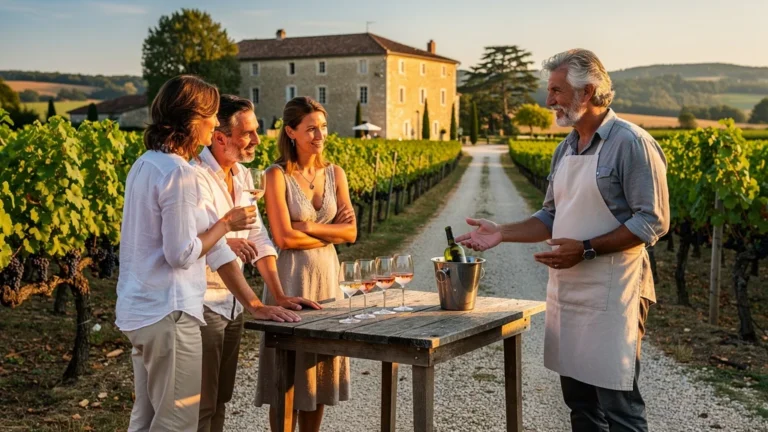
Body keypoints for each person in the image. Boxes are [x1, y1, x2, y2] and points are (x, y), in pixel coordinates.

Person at [456, 49, 670, 432]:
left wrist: (586, 248)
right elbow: (551, 216)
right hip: (570, 293)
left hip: (617, 292)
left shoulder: (631, 143)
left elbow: (653, 220)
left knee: (619, 405)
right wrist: (502, 232)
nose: (548, 100)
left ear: (586, 92)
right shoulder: (565, 148)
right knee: (580, 405)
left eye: (556, 91)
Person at [116, 75, 300, 432]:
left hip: (140, 311)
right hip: (170, 312)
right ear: (192, 119)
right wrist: (227, 223)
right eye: (212, 115)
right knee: (178, 420)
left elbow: (208, 245)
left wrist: (260, 299)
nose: (216, 123)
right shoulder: (181, 174)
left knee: (146, 418)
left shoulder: (145, 164)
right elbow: (181, 254)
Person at [192, 95, 321, 432]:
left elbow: (259, 237)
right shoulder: (195, 176)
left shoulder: (244, 177)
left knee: (220, 399)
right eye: (247, 132)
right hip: (200, 302)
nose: (256, 139)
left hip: (231, 303)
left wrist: (276, 296)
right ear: (220, 138)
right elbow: (201, 243)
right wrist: (255, 302)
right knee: (200, 404)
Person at [254, 96, 357, 432]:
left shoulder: (336, 173)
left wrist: (310, 227)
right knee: (285, 377)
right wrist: (332, 232)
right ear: (291, 132)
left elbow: (352, 232)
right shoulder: (276, 175)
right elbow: (282, 239)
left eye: (323, 127)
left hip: (327, 277)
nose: (319, 134)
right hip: (291, 276)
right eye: (311, 128)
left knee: (319, 376)